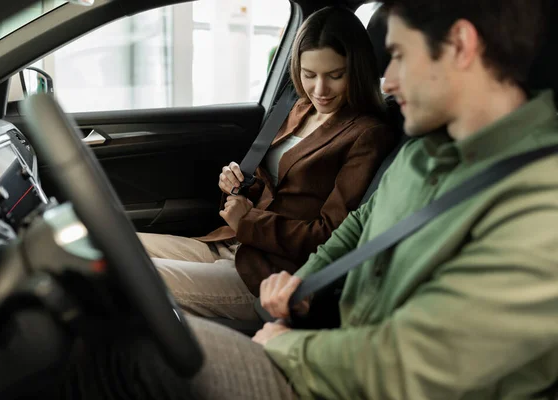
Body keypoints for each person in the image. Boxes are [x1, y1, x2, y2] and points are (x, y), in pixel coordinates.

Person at [55, 0, 558, 398]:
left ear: (461, 45)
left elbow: (409, 368)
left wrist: (291, 346)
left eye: (399, 55)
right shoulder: (423, 151)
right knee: (110, 323)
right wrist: (304, 279)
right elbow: (358, 225)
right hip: (330, 348)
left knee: (127, 351)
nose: (388, 81)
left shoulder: (541, 206)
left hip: (345, 376)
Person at [137, 6, 397, 320]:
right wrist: (237, 186)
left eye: (335, 76)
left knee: (134, 277)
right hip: (231, 244)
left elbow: (330, 237)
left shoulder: (367, 134)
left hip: (270, 273)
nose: (319, 90)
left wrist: (248, 222)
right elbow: (272, 183)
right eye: (308, 74)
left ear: (356, 70)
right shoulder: (298, 108)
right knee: (119, 246)